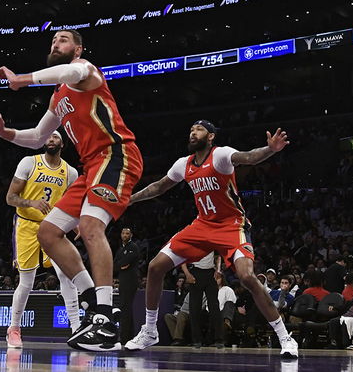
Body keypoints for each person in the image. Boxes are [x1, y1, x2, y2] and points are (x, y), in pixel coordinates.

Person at [0, 28, 144, 351]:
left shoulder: (85, 71)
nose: (56, 42)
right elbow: (38, 137)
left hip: (116, 154)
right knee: (48, 232)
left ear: (78, 49)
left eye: (63, 39)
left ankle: (104, 317)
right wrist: (4, 133)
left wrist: (23, 79)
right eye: (53, 40)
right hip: (90, 168)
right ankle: (93, 305)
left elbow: (69, 71)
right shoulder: (58, 97)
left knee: (89, 226)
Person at [123, 121, 298, 358]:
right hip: (203, 225)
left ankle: (285, 338)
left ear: (211, 136)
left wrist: (270, 150)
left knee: (246, 276)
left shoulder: (221, 156)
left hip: (231, 225)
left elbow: (248, 157)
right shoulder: (183, 164)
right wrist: (130, 199)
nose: (193, 132)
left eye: (199, 129)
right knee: (155, 267)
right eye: (191, 129)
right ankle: (150, 331)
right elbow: (159, 187)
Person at [2, 131, 80, 347]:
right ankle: (14, 328)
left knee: (66, 275)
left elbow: (72, 203)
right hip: (26, 226)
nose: (50, 139)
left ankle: (76, 329)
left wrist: (78, 223)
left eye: (55, 136)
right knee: (26, 282)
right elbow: (10, 198)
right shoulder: (29, 163)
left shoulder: (70, 172)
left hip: (53, 227)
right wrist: (31, 202)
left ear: (62, 143)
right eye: (47, 136)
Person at [114, 226, 144, 344]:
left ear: (131, 235)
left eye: (127, 234)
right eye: (123, 233)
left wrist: (121, 264)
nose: (125, 235)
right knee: (125, 307)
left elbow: (126, 262)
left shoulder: (133, 247)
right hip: (123, 279)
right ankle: (128, 335)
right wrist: (121, 265)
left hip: (131, 280)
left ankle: (124, 336)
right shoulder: (120, 248)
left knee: (126, 307)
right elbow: (116, 265)